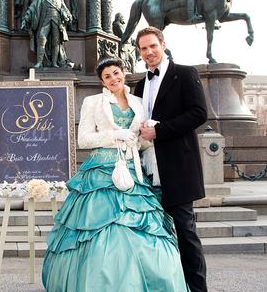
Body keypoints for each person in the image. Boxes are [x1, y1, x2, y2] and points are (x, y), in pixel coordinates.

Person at [42, 58, 188, 291]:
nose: (113, 79)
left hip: (132, 171)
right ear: (102, 81)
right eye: (107, 76)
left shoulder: (139, 103)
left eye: (116, 73)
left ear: (123, 73)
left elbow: (142, 143)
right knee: (101, 227)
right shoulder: (93, 102)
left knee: (141, 228)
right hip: (101, 171)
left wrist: (143, 136)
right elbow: (83, 140)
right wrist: (115, 135)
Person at [134, 26, 208, 292]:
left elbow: (199, 113)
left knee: (186, 234)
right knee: (154, 236)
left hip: (178, 167)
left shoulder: (185, 74)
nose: (149, 52)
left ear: (163, 45)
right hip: (147, 168)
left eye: (153, 46)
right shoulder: (140, 84)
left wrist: (159, 131)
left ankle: (198, 290)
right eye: (143, 48)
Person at [21, 0, 72, 68]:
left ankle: (54, 63)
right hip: (45, 21)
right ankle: (39, 62)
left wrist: (69, 15)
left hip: (57, 21)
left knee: (56, 42)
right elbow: (31, 9)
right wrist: (26, 19)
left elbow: (64, 8)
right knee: (41, 38)